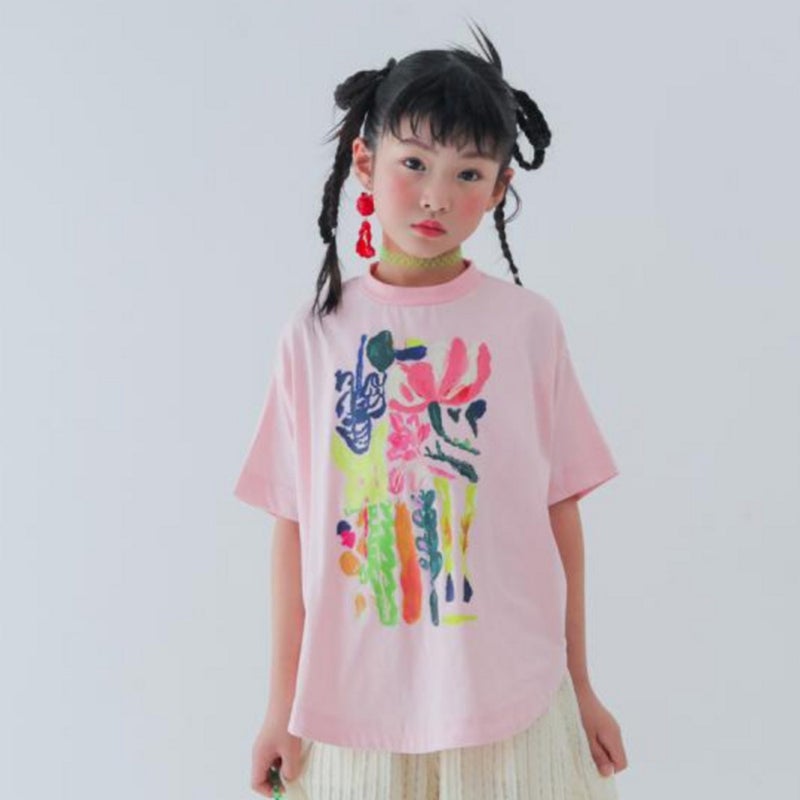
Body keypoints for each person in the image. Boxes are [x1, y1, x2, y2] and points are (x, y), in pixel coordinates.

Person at [234, 20, 629, 800]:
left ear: (500, 188)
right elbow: (294, 530)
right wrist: (280, 708)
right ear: (365, 161)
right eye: (414, 163)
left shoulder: (528, 327)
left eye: (468, 173)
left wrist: (581, 685)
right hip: (352, 706)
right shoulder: (315, 336)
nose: (436, 197)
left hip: (512, 699)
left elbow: (559, 514)